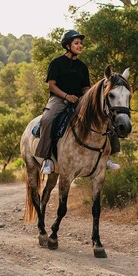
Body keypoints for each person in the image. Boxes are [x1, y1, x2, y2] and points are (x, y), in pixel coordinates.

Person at [36, 29, 121, 175]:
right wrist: (66, 96)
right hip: (58, 99)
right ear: (68, 46)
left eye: (81, 43)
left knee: (104, 117)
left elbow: (86, 87)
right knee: (48, 119)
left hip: (79, 101)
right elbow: (51, 85)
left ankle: (106, 157)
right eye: (76, 43)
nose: (80, 45)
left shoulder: (82, 66)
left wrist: (86, 98)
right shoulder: (56, 63)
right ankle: (47, 158)